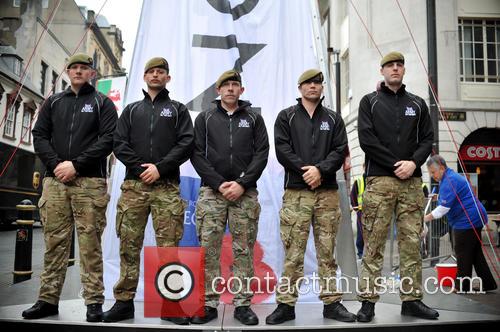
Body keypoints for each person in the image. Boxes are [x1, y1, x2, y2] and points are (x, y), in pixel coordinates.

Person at [24, 53, 117, 322]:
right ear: (67, 72)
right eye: (74, 68)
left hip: (89, 182)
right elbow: (39, 136)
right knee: (54, 243)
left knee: (90, 245)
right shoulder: (53, 102)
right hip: (55, 182)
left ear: (92, 74)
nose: (78, 72)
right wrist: (56, 165)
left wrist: (75, 165)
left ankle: (94, 301)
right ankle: (47, 300)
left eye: (84, 68)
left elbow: (108, 139)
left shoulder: (102, 104)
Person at [102, 57, 194, 325]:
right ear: (144, 77)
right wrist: (142, 169)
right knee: (129, 244)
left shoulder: (177, 110)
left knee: (169, 247)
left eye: (161, 72)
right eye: (151, 71)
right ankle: (123, 302)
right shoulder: (131, 111)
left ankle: (170, 304)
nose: (156, 75)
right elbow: (119, 143)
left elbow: (186, 143)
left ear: (168, 78)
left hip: (167, 186)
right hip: (134, 187)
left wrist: (161, 168)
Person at [266, 69, 356, 325]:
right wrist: (306, 170)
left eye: (317, 82)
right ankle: (286, 305)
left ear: (322, 87)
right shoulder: (287, 117)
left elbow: (340, 150)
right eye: (308, 83)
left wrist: (321, 170)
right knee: (293, 252)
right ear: (300, 87)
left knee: (327, 251)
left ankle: (332, 304)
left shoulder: (334, 119)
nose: (313, 86)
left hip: (326, 193)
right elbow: (282, 149)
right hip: (297, 193)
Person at [356, 51, 439, 322]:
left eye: (399, 65)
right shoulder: (370, 102)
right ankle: (368, 302)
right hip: (380, 181)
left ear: (404, 71)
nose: (394, 69)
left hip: (411, 183)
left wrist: (414, 163)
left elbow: (427, 138)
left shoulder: (417, 103)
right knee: (374, 243)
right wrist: (396, 165)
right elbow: (366, 140)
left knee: (411, 243)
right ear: (382, 71)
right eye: (389, 65)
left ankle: (412, 299)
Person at [190, 70, 269, 326]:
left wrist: (242, 183)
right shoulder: (205, 118)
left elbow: (262, 154)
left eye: (235, 85)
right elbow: (196, 154)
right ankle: (209, 302)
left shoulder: (254, 119)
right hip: (212, 193)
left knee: (243, 250)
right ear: (218, 90)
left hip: (244, 194)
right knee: (209, 249)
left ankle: (243, 304)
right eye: (226, 85)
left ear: (242, 91)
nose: (231, 89)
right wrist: (218, 183)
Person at [424, 154, 497, 293]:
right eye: (430, 173)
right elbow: (453, 197)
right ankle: (488, 283)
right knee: (475, 252)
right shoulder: (450, 177)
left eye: (433, 172)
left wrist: (424, 218)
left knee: (462, 252)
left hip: (468, 220)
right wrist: (439, 197)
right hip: (474, 216)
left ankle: (462, 286)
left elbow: (442, 210)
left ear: (442, 168)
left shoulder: (449, 180)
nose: (432, 175)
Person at [350, 164, 366, 259]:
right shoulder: (359, 180)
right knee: (361, 232)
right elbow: (353, 195)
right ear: (364, 168)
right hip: (361, 211)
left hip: (374, 211)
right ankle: (360, 252)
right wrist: (356, 208)